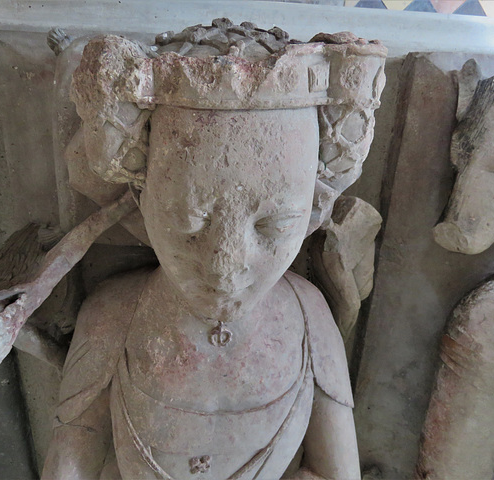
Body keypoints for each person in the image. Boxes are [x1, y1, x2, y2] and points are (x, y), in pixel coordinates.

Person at [42, 20, 386, 480]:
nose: (226, 267)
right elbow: (69, 466)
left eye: (271, 225)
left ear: (313, 211)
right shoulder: (114, 316)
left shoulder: (308, 317)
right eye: (189, 223)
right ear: (142, 201)